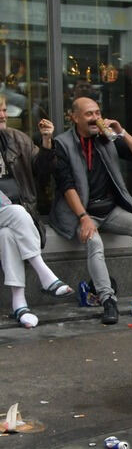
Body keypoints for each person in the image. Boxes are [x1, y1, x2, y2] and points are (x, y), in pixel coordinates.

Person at [51, 96, 132, 326]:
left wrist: (120, 131)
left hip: (110, 210)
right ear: (74, 117)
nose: (95, 118)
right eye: (89, 114)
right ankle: (108, 300)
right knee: (95, 244)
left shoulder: (107, 138)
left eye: (97, 113)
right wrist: (83, 218)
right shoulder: (62, 143)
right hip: (83, 213)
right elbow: (67, 186)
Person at [0, 98, 74, 327]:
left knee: (7, 236)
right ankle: (45, 274)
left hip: (8, 221)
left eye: (3, 109)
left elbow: (42, 173)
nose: (3, 115)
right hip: (14, 213)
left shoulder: (14, 138)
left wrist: (46, 140)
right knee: (19, 213)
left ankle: (19, 305)